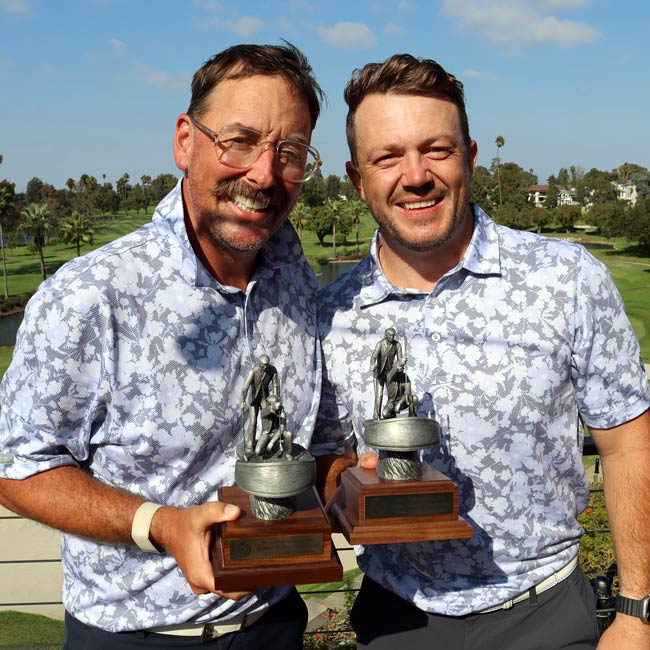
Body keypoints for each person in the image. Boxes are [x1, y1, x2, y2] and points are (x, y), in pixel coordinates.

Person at [313, 53, 650, 650]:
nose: (415, 175)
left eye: (435, 149)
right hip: (398, 621)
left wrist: (636, 611)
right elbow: (324, 458)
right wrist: (341, 484)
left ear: (469, 157)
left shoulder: (566, 279)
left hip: (545, 614)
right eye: (387, 157)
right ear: (357, 177)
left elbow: (627, 444)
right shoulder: (325, 315)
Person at [0, 42, 324, 649]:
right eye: (240, 140)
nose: (263, 172)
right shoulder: (91, 295)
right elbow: (16, 469)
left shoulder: (292, 273)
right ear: (185, 141)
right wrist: (160, 525)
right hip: (137, 635)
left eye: (291, 152)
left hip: (274, 622)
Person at [240, 354, 280, 459]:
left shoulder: (272, 370)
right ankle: (249, 446)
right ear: (258, 363)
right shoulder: (253, 371)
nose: (265, 367)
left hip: (264, 398)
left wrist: (276, 398)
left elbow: (276, 385)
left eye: (267, 365)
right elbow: (245, 387)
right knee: (253, 422)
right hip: (254, 399)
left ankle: (267, 443)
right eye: (263, 365)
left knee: (267, 420)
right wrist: (242, 401)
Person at [369, 327, 403, 419]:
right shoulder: (380, 344)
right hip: (380, 373)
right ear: (386, 335)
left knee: (391, 397)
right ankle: (376, 417)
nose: (392, 337)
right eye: (390, 335)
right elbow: (374, 356)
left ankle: (390, 415)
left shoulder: (397, 345)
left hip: (390, 374)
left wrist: (401, 365)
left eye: (393, 335)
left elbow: (400, 359)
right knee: (379, 395)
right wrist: (372, 365)